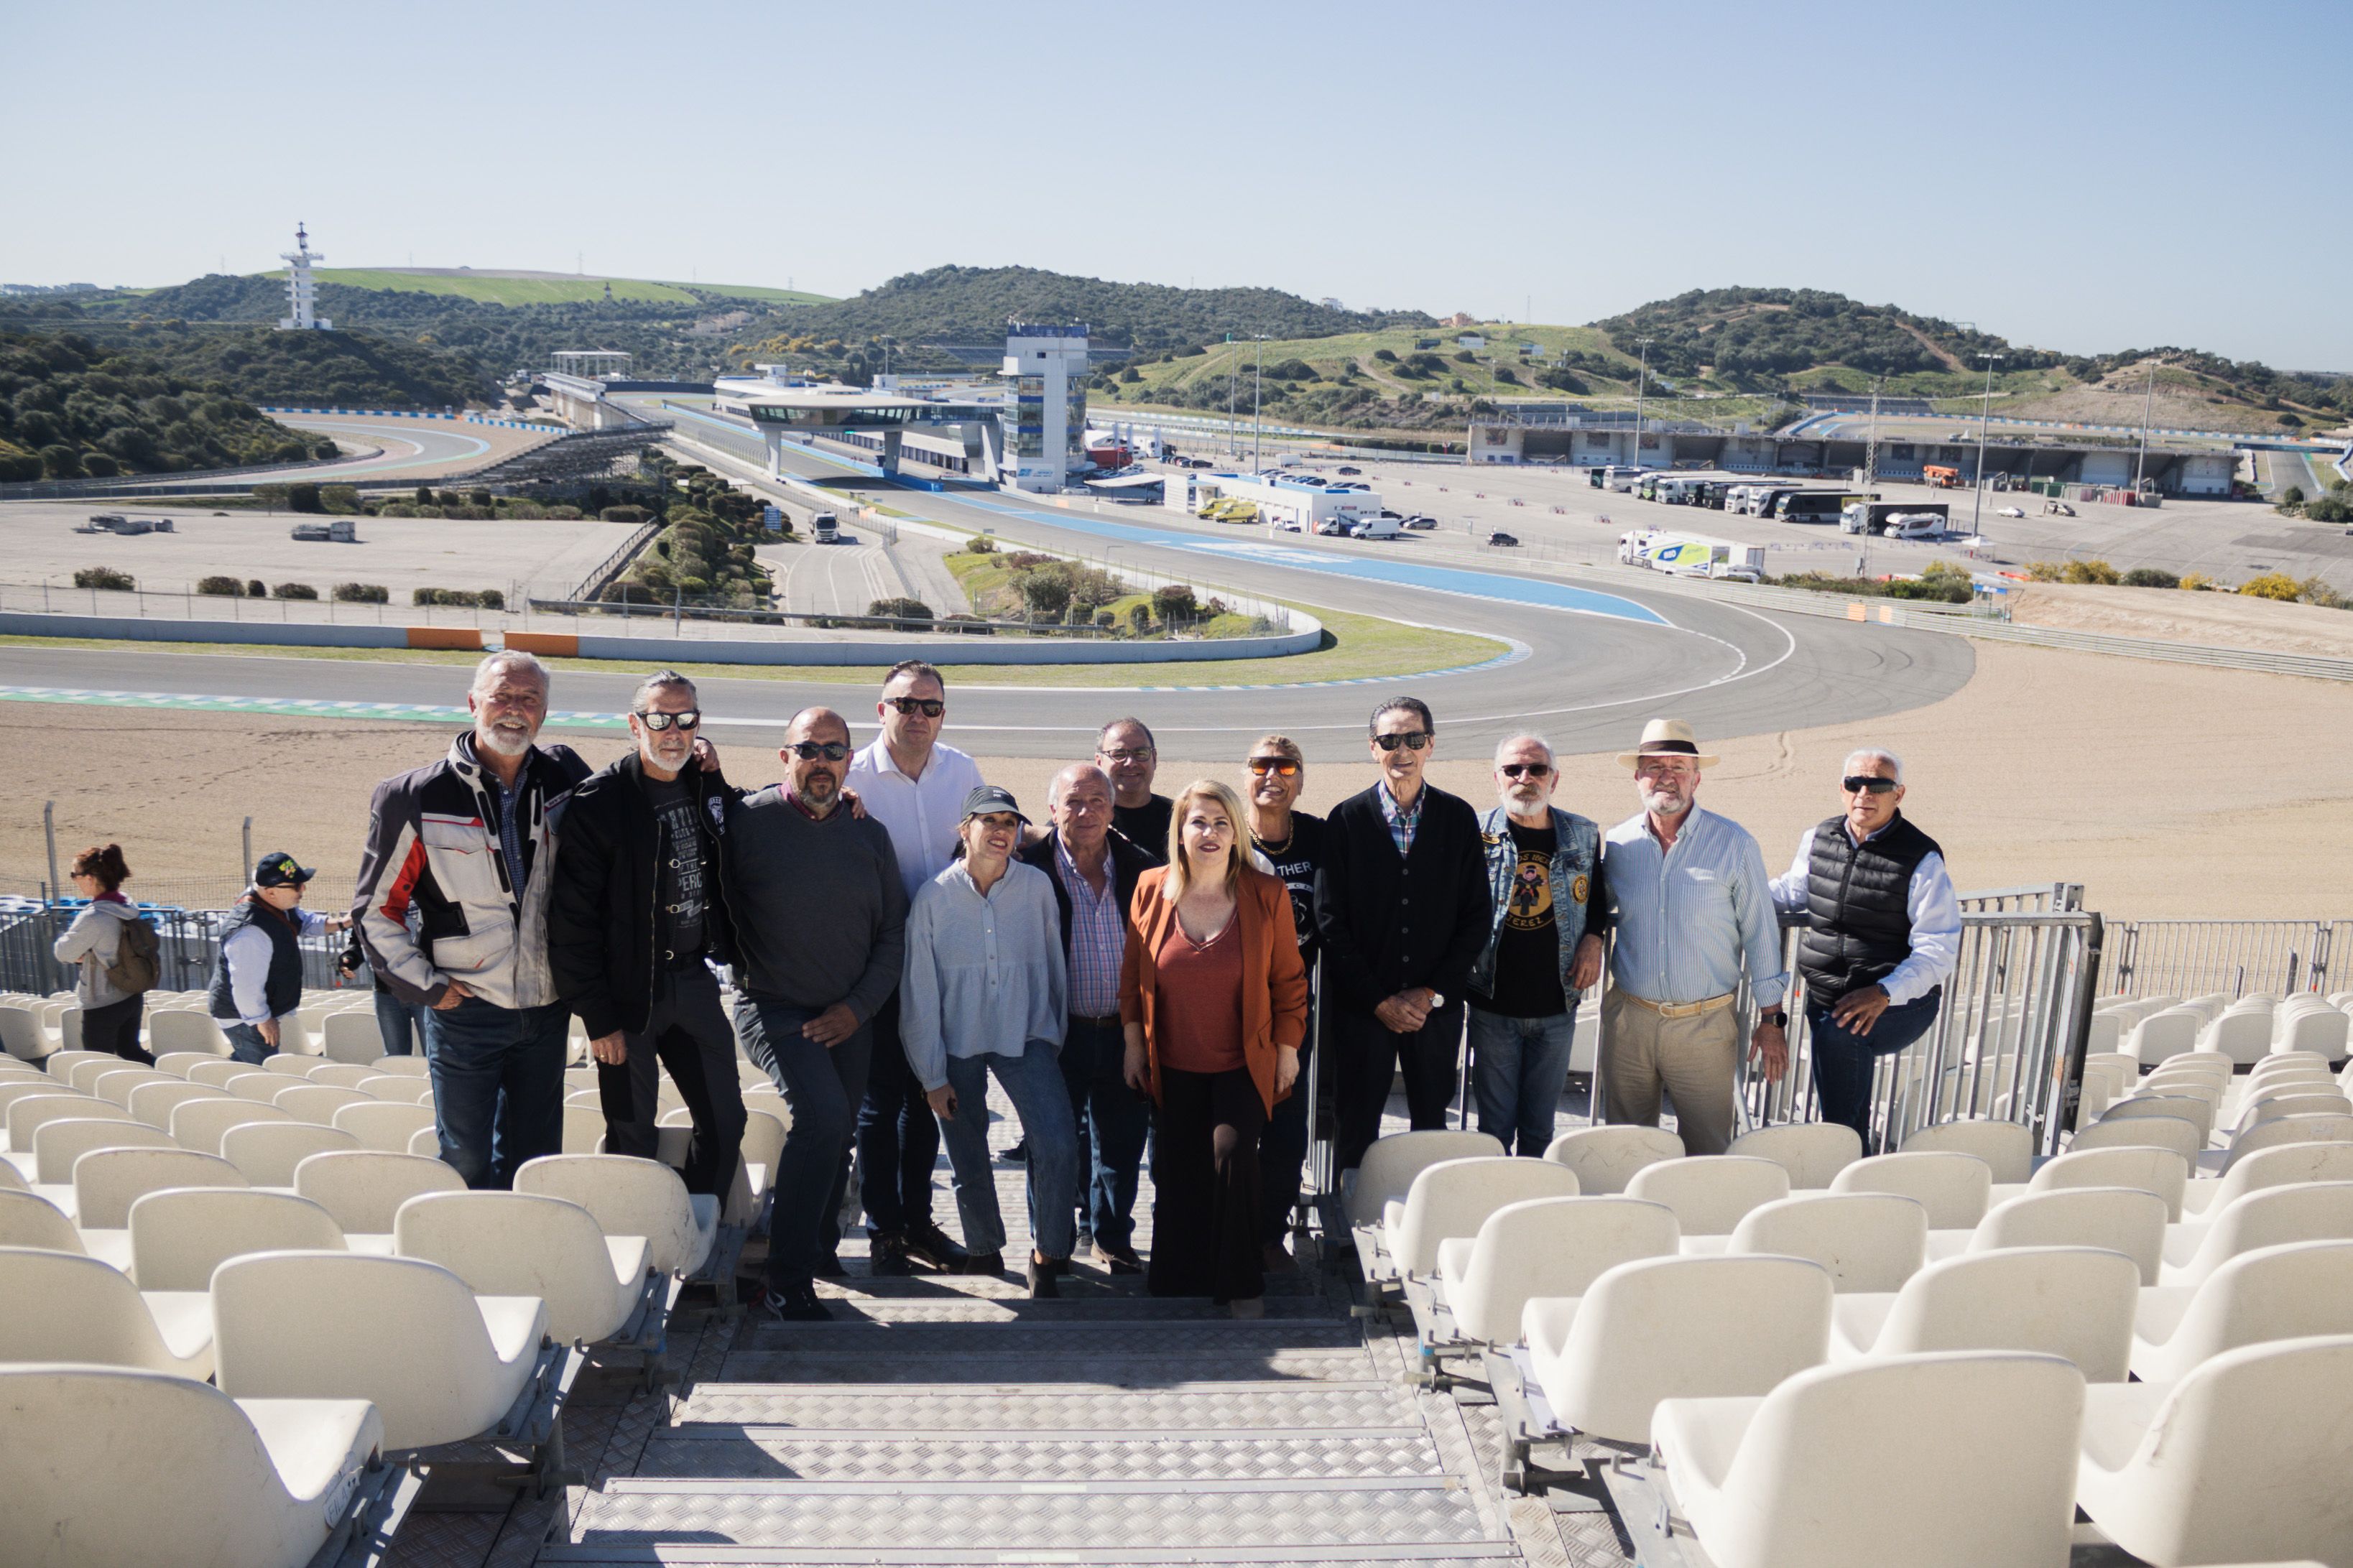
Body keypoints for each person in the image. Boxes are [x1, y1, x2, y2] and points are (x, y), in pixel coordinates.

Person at [353, 651, 591, 1189]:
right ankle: (466, 1259)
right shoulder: (412, 796)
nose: (514, 709)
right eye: (501, 696)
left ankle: (519, 1261)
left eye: (528, 699)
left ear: (544, 711)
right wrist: (428, 987)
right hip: (465, 1012)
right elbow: (374, 911)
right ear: (472, 704)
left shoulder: (565, 779)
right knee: (463, 1161)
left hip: (546, 1009)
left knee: (536, 1163)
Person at [724, 706, 907, 1320]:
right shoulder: (745, 823)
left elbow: (892, 937)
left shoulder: (869, 833)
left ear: (849, 760)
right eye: (808, 749)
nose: (821, 761)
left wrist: (856, 1010)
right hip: (773, 1007)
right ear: (786, 757)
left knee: (838, 1133)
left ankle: (820, 1252)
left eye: (834, 750)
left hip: (849, 1015)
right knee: (824, 1116)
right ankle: (783, 1279)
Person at [550, 671, 747, 1211]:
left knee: (727, 1122)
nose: (673, 731)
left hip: (691, 980)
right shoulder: (600, 801)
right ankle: (641, 1239)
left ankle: (692, 1231)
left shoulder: (704, 783)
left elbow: (746, 819)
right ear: (635, 724)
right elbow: (571, 921)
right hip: (626, 995)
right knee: (631, 1134)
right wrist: (597, 1016)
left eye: (686, 719)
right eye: (660, 719)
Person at [1122, 780, 1308, 1314]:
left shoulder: (1265, 894)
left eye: (1221, 822)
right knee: (1178, 1170)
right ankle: (1179, 1280)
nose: (1209, 832)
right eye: (1198, 822)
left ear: (1237, 833)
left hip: (1241, 1061)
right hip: (1172, 1060)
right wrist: (1133, 1045)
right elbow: (1133, 976)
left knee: (1232, 1158)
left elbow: (1289, 982)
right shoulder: (1150, 888)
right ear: (1179, 831)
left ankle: (1241, 1284)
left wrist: (1287, 1050)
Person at [901, 786, 1079, 1298]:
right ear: (964, 830)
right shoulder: (933, 896)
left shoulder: (1037, 887)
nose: (1000, 830)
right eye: (988, 820)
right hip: (956, 1043)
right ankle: (983, 1246)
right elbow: (919, 991)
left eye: (1009, 821)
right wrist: (931, 1075)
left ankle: (1048, 1252)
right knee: (967, 1150)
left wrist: (1052, 1034)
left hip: (1027, 1036)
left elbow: (1051, 964)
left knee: (1057, 1142)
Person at [846, 659, 985, 1274]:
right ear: (882, 711)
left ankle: (917, 1221)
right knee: (880, 1102)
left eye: (930, 706)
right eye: (905, 704)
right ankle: (883, 1229)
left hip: (940, 958)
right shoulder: (850, 774)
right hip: (874, 958)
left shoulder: (961, 769)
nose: (918, 716)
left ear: (943, 715)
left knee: (930, 1092)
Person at [1315, 697, 1489, 1177]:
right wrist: (1377, 1000)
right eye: (1390, 740)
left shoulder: (1457, 818)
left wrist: (1430, 992)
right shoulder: (1346, 820)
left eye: (1413, 738)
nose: (1402, 750)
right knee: (1356, 1126)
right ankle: (1351, 1230)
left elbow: (1476, 915)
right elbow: (1330, 919)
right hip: (1363, 1011)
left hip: (1434, 1012)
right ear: (1373, 748)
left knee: (1430, 1127)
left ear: (1430, 745)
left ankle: (1423, 1222)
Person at [1598, 719, 1788, 1157]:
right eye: (1654, 766)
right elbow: (1592, 911)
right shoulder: (1619, 843)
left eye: (1678, 767)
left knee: (1707, 1150)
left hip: (1705, 1027)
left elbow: (1760, 933)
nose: (1666, 776)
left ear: (1696, 778)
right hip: (1629, 1022)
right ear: (1638, 777)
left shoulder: (1734, 844)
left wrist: (1772, 1019)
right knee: (1625, 1149)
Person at [1770, 748, 1961, 1148]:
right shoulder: (1819, 838)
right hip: (1826, 996)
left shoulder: (1921, 858)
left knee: (1842, 1051)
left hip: (1899, 1002)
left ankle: (1848, 1165)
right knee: (1838, 1096)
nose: (1865, 794)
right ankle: (1851, 1159)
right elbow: (1792, 892)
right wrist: (1724, 899)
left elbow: (1938, 949)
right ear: (1842, 790)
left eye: (1879, 785)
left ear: (1899, 794)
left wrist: (1884, 992)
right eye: (1855, 784)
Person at [1019, 763, 1158, 1274]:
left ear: (1113, 808)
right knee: (1051, 1146)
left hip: (1124, 1032)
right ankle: (1049, 1246)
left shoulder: (1141, 866)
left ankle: (1111, 1237)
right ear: (1052, 810)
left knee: (1120, 1145)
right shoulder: (1027, 867)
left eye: (1097, 801)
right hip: (1055, 1034)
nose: (1086, 812)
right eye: (1073, 802)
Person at [1466, 734, 1606, 1155]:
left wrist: (1594, 939)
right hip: (1493, 1006)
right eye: (1513, 770)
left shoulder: (1582, 834)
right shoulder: (1475, 833)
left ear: (1554, 779)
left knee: (1539, 1132)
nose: (1525, 778)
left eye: (1537, 769)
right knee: (1494, 1131)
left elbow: (1598, 896)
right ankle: (1495, 1209)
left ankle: (1533, 1211)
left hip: (1557, 1007)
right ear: (1497, 778)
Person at [1242, 734, 1323, 1268]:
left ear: (1300, 779)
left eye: (1286, 766)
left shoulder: (1319, 836)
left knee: (1287, 1132)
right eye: (1261, 764)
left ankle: (1269, 1234)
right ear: (1245, 774)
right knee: (1231, 1128)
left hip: (1295, 1005)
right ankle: (1224, 1232)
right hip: (1235, 1005)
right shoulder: (1226, 835)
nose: (1273, 774)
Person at [209, 852, 351, 1065]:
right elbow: (246, 986)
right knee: (260, 1075)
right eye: (296, 886)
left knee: (248, 1066)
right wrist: (262, 1020)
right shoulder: (250, 932)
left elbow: (304, 922)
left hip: (250, 1015)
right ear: (271, 892)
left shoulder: (274, 905)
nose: (303, 889)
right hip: (245, 1019)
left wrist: (344, 922)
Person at [53, 843, 154, 1064]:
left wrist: (80, 951)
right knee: (131, 1052)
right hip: (131, 994)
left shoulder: (95, 917)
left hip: (102, 1001)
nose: (75, 881)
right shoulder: (126, 906)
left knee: (99, 1063)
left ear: (90, 878)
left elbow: (63, 951)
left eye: (75, 875)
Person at [338, 925, 427, 1057]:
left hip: (425, 992)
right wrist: (348, 959)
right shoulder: (368, 908)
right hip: (387, 994)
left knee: (435, 1054)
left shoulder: (422, 904)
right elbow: (358, 942)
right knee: (395, 1057)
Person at [1096, 718, 1173, 854]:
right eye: (1119, 754)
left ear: (1154, 758)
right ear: (1099, 762)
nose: (1130, 763)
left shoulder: (1180, 817)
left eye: (1140, 753)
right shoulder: (1086, 819)